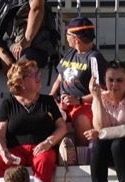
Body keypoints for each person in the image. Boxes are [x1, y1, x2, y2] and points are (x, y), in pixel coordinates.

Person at [0, 0, 56, 125]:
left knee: (24, 65)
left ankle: (23, 117)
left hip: (33, 47)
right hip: (3, 49)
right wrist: (2, 54)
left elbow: (37, 8)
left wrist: (25, 41)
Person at [0, 61, 66, 182]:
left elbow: (61, 127)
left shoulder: (47, 101)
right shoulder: (8, 104)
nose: (38, 77)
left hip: (42, 148)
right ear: (20, 82)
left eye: (37, 73)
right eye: (33, 74)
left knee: (44, 161)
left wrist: (48, 142)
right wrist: (3, 152)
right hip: (16, 150)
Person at [50, 17, 106, 159]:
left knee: (82, 120)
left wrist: (79, 100)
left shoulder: (94, 58)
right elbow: (60, 77)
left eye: (67, 35)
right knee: (50, 116)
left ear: (76, 39)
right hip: (64, 103)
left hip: (85, 103)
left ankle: (81, 158)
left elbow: (102, 91)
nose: (65, 38)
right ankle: (60, 154)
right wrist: (51, 96)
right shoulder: (71, 53)